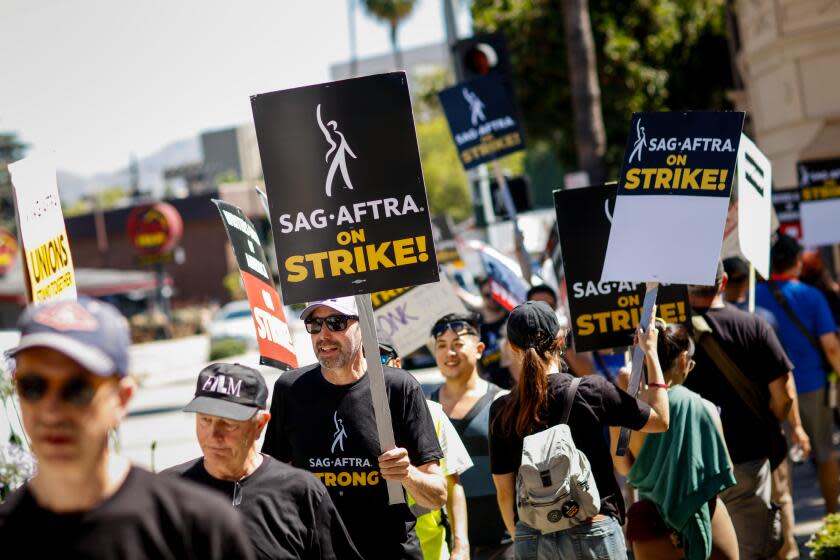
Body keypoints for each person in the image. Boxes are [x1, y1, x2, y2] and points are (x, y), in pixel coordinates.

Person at [0, 297, 254, 559]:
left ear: (122, 398)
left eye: (77, 390)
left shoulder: (197, 529)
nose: (51, 411)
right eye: (33, 387)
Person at [261, 297, 446, 560]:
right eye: (314, 324)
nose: (324, 335)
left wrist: (407, 474)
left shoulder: (398, 388)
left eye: (336, 323)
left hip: (391, 551)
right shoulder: (290, 390)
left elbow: (437, 496)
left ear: (364, 326)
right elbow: (272, 482)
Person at [489, 301, 671, 558]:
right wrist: (650, 352)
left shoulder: (501, 410)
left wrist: (524, 536)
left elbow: (505, 492)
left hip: (533, 535)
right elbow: (661, 420)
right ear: (560, 340)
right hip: (592, 526)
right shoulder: (591, 390)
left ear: (512, 348)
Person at [164, 362, 362, 560]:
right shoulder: (167, 492)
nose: (214, 435)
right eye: (205, 420)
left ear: (259, 425)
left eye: (228, 423)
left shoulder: (300, 491)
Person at [683, 261, 800, 559]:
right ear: (723, 282)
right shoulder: (754, 325)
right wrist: (775, 419)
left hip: (694, 463)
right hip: (749, 457)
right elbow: (783, 393)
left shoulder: (672, 335)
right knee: (750, 551)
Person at [611, 320, 738, 560]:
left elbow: (623, 467)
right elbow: (725, 468)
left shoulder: (628, 411)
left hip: (651, 519)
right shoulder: (704, 406)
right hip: (705, 511)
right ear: (682, 360)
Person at [756, 234, 840, 515]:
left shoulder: (755, 297)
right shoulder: (811, 295)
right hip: (814, 386)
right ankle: (832, 517)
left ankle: (786, 531)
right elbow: (831, 347)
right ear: (797, 263)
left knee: (782, 461)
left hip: (772, 391)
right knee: (825, 453)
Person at [428, 313, 513, 559]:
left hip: (504, 541)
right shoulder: (424, 407)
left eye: (457, 345)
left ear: (479, 349)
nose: (449, 353)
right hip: (448, 543)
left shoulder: (502, 401)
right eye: (442, 346)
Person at [380, 341, 473, 560]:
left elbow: (453, 482)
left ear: (398, 363)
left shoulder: (431, 412)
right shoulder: (349, 414)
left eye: (383, 359)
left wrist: (461, 545)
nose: (376, 366)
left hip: (431, 547)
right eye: (367, 357)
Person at [477, 277, 514, 388]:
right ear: (482, 297)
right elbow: (477, 364)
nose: (493, 298)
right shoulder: (477, 329)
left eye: (495, 293)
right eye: (488, 295)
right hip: (494, 391)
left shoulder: (513, 319)